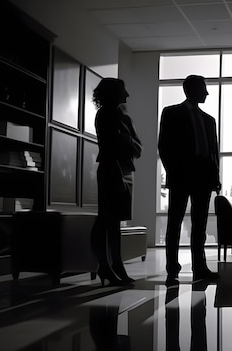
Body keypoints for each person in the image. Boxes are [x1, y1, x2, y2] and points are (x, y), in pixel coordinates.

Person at [158, 75, 221, 286]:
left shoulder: (209, 120)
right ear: (192, 89)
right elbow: (164, 146)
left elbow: (213, 154)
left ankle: (199, 267)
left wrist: (216, 178)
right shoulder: (171, 113)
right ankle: (172, 269)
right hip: (181, 176)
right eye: (204, 88)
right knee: (174, 224)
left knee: (200, 225)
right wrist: (173, 172)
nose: (207, 93)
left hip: (203, 177)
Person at [92, 78, 142, 286]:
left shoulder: (124, 118)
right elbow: (114, 146)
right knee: (106, 221)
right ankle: (108, 266)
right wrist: (126, 141)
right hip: (111, 170)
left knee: (112, 222)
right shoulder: (104, 115)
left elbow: (137, 148)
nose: (127, 95)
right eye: (124, 90)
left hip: (124, 172)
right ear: (113, 92)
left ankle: (112, 266)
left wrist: (125, 139)